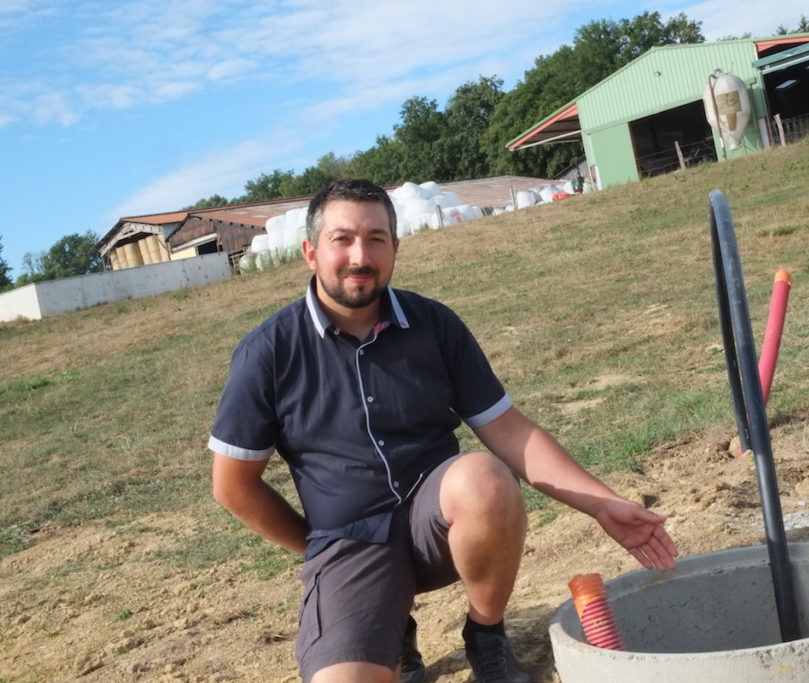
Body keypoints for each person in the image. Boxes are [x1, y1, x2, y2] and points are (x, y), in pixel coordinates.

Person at [209, 179, 678, 683]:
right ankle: (389, 628)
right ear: (311, 252)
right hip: (350, 542)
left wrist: (602, 503)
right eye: (342, 239)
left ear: (395, 247)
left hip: (439, 526)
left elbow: (510, 431)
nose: (360, 255)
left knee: (484, 477)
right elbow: (233, 485)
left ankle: (486, 633)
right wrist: (322, 550)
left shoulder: (434, 324)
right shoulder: (268, 352)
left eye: (376, 238)